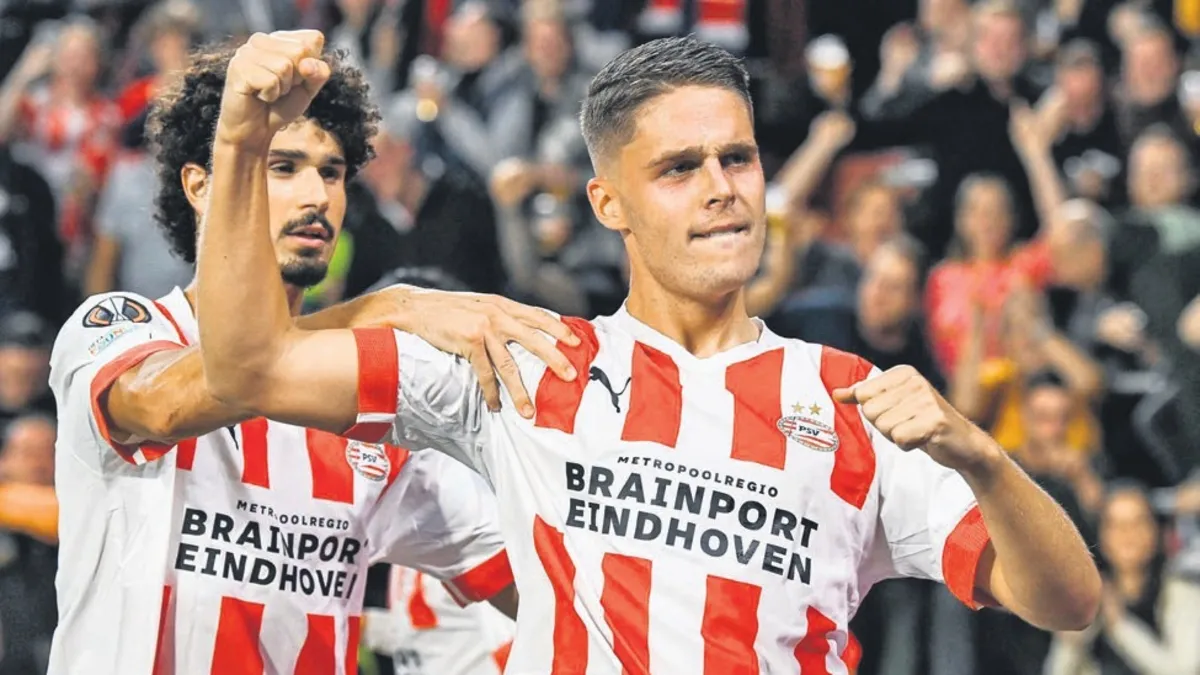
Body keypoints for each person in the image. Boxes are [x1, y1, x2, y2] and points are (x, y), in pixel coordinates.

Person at [194, 32, 1101, 671]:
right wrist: (240, 141)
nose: (721, 188)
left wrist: (984, 459)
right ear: (608, 204)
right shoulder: (526, 359)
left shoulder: (846, 397)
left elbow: (1066, 600)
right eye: (679, 168)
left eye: (738, 159)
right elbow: (244, 366)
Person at [46, 43, 581, 675]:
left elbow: (549, 598)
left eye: (331, 173)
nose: (316, 195)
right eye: (281, 166)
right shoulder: (120, 326)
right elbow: (171, 402)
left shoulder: (372, 408)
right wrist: (385, 309)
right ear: (199, 186)